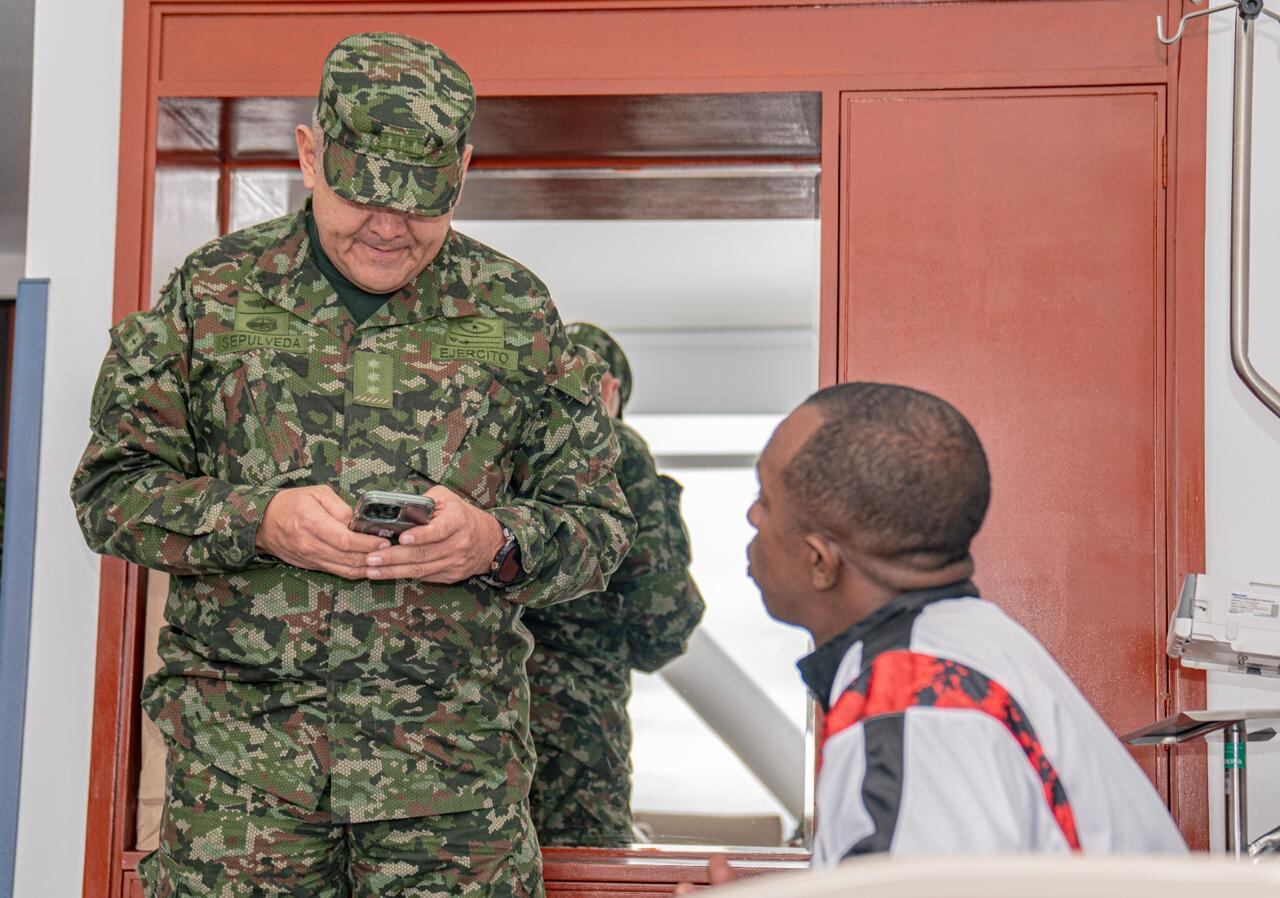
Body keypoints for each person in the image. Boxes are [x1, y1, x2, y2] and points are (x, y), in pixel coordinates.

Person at [71, 32, 633, 898]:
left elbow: (599, 528)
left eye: (420, 204)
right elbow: (109, 492)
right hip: (245, 775)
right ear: (308, 155)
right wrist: (258, 520)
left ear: (463, 170)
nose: (388, 227)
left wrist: (495, 541)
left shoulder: (516, 310)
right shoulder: (214, 293)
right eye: (364, 195)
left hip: (453, 783)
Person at [742, 382, 1186, 866]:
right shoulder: (964, 646)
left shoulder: (918, 700)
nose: (751, 516)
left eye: (764, 499)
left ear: (820, 560)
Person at [523, 322, 705, 847]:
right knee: (585, 868)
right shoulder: (616, 445)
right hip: (578, 720)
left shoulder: (487, 442)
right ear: (610, 390)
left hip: (477, 711)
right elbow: (663, 617)